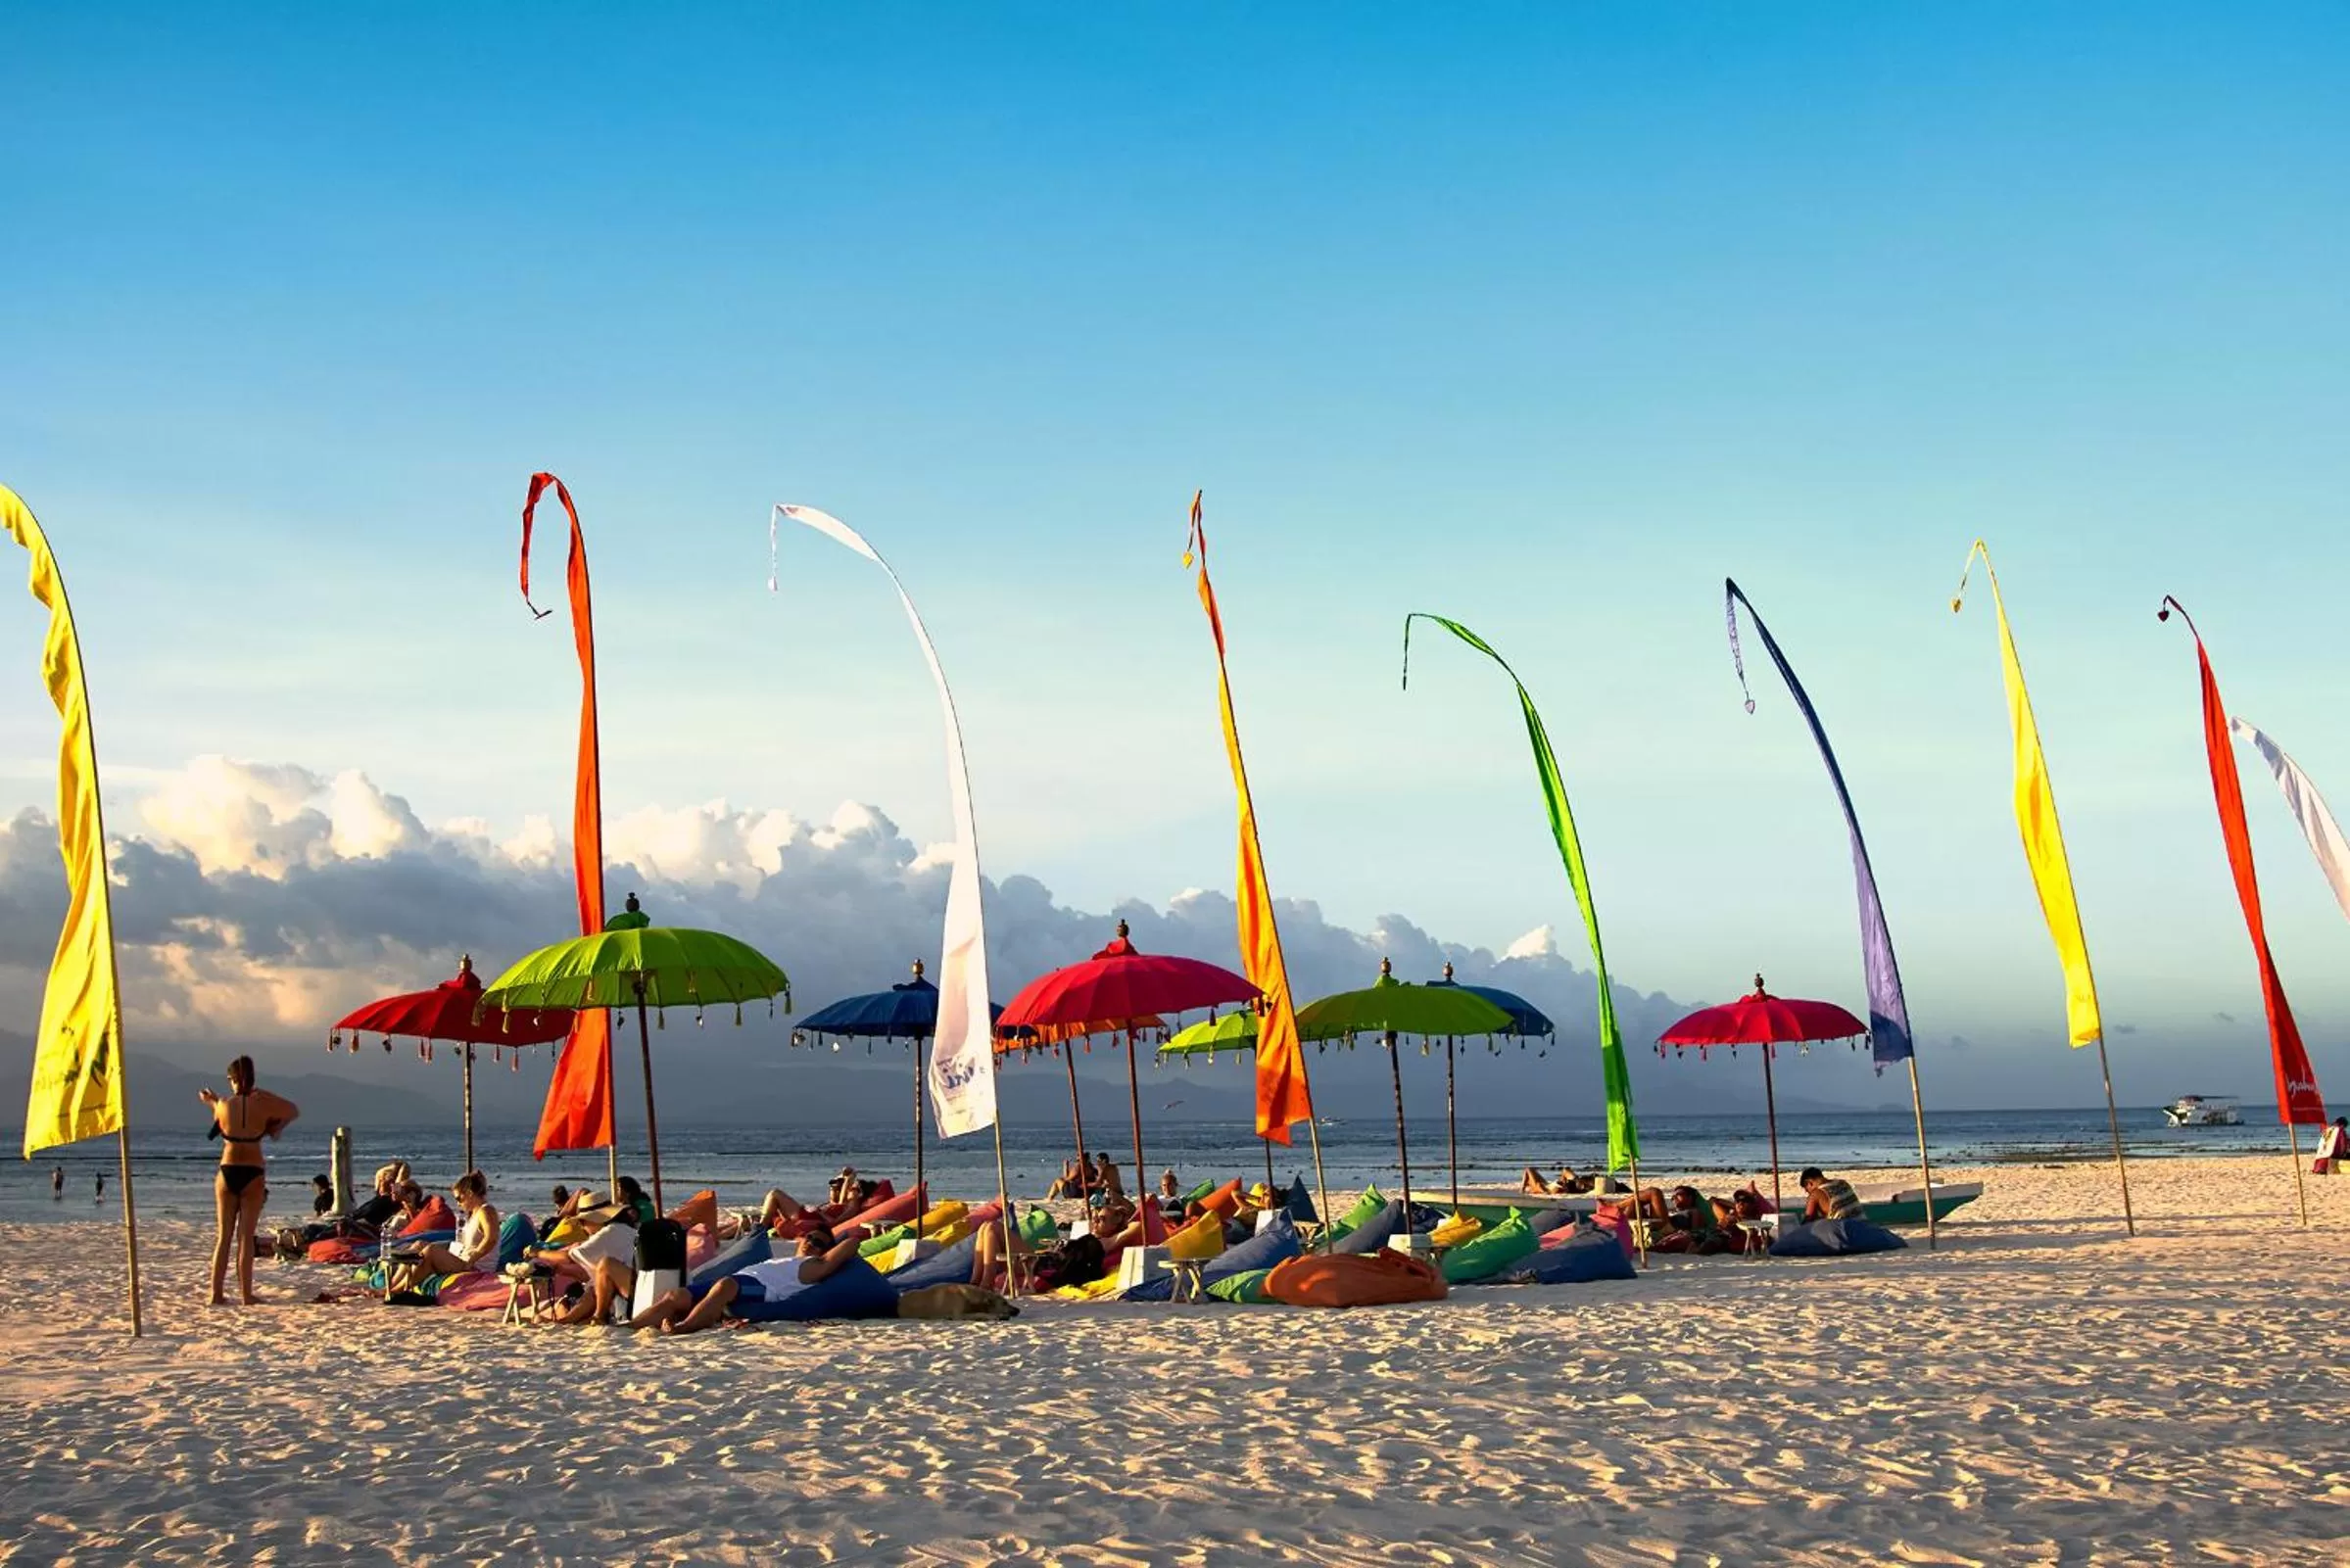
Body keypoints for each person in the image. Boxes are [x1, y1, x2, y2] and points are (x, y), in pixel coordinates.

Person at [636, 1224, 867, 1335]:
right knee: (678, 1295)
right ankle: (631, 1325)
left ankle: (684, 1328)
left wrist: (841, 1240)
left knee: (725, 1285)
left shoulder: (816, 1266)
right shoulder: (780, 1259)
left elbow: (851, 1243)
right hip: (740, 1279)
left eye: (818, 1242)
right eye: (808, 1237)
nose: (810, 1242)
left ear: (825, 1250)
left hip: (763, 1289)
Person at [201, 1056, 298, 1306]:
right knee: (246, 1236)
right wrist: (275, 1127)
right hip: (253, 1169)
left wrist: (211, 1101)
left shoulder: (223, 1104)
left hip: (228, 1168)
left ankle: (216, 1293)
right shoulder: (263, 1103)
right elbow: (293, 1110)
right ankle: (245, 1294)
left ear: (233, 1080)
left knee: (224, 1236)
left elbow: (221, 1119)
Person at [390, 1170, 500, 1291]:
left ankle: (398, 1289)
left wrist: (473, 1258)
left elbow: (491, 1238)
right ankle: (391, 1285)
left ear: (469, 1193)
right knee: (418, 1245)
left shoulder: (486, 1211)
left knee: (430, 1251)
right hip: (463, 1258)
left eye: (459, 1198)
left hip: (475, 1266)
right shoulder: (474, 1214)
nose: (458, 1204)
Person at [1799, 1167, 1864, 1222]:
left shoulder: (1816, 1194)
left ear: (1809, 1183)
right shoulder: (1843, 1183)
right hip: (1864, 1227)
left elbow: (1807, 1221)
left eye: (1807, 1190)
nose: (1807, 1192)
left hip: (1845, 1234)